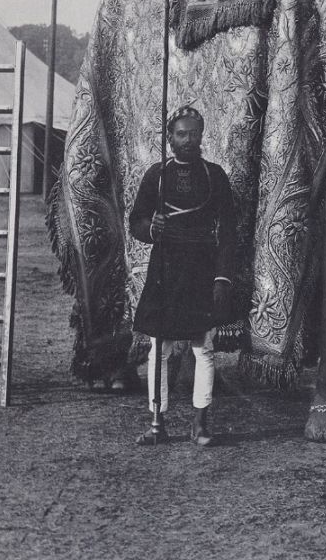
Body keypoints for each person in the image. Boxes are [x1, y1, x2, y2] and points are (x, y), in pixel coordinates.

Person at [130, 105, 236, 446]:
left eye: (194, 133)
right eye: (181, 134)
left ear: (202, 136)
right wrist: (152, 227)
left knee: (203, 348)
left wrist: (222, 278)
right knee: (158, 350)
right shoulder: (156, 176)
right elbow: (136, 221)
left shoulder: (214, 176)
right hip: (165, 268)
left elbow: (229, 231)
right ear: (170, 137)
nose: (188, 140)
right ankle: (157, 422)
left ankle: (200, 424)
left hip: (201, 268)